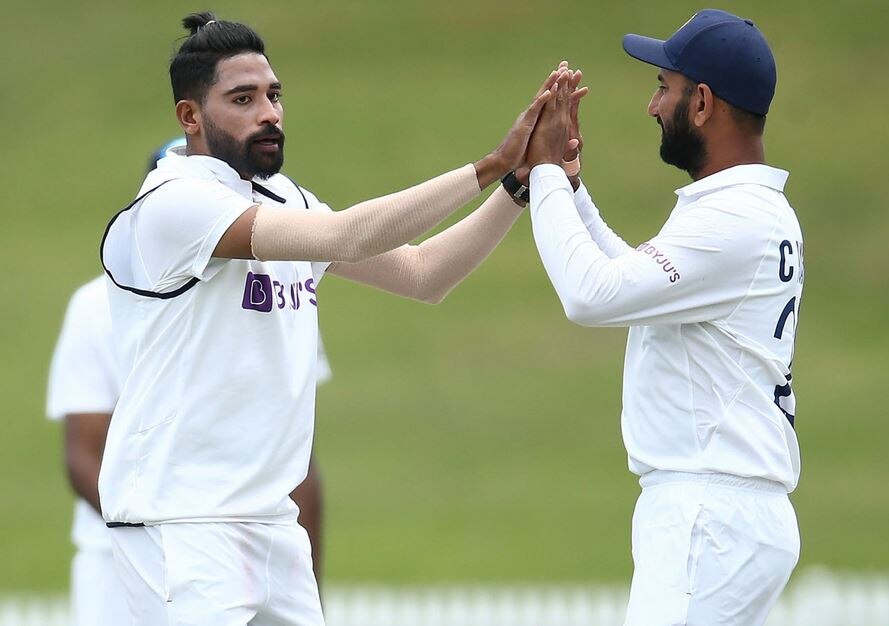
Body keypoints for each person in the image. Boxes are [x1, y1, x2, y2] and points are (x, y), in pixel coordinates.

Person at [99, 11, 570, 626]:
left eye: (273, 95)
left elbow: (425, 274)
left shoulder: (285, 198)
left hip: (272, 522)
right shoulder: (172, 202)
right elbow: (347, 235)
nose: (268, 112)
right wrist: (486, 166)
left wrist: (517, 185)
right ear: (191, 117)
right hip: (179, 522)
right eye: (242, 99)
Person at [525, 10, 803, 626]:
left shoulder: (733, 219)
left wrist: (540, 171)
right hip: (726, 510)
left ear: (701, 103)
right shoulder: (748, 210)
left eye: (664, 88)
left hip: (709, 512)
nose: (654, 106)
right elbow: (635, 288)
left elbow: (590, 296)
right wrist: (570, 185)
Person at [46, 143, 332, 626]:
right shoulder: (94, 307)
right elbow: (83, 452)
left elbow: (294, 447)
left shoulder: (280, 286)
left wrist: (305, 577)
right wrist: (151, 532)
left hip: (249, 534)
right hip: (147, 541)